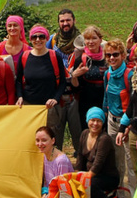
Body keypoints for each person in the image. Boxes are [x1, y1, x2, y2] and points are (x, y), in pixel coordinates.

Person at [18, 126, 73, 198]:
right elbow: (47, 182)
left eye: (44, 140)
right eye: (37, 140)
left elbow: (63, 191)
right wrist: (44, 194)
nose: (40, 144)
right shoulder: (44, 155)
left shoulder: (61, 161)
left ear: (53, 140)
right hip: (50, 196)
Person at [75, 107, 120, 198]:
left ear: (103, 122)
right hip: (92, 175)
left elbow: (98, 164)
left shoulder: (104, 139)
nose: (95, 124)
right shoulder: (84, 134)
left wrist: (83, 179)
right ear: (87, 120)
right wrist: (76, 174)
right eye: (92, 120)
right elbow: (80, 156)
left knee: (90, 184)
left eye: (99, 121)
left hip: (107, 176)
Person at [44, 8, 80, 151]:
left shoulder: (81, 40)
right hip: (57, 95)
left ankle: (80, 165)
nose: (65, 23)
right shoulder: (52, 41)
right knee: (55, 134)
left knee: (78, 133)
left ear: (74, 21)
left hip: (76, 95)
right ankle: (55, 163)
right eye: (62, 21)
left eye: (68, 20)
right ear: (58, 23)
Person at [102, 39, 136, 189]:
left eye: (115, 54)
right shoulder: (107, 75)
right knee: (116, 160)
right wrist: (104, 116)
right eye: (108, 55)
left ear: (123, 55)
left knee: (131, 161)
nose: (111, 58)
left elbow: (135, 103)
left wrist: (129, 125)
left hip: (127, 122)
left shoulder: (130, 75)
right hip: (111, 120)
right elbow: (106, 96)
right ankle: (119, 193)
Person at [68, 25, 107, 143]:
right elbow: (76, 87)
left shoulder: (108, 56)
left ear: (100, 40)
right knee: (88, 130)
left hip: (105, 99)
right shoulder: (81, 59)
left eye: (94, 38)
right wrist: (75, 76)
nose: (91, 42)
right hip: (86, 100)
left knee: (104, 131)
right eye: (88, 39)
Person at [16, 25, 67, 114]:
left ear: (46, 38)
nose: (38, 40)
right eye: (34, 37)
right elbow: (19, 81)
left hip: (49, 107)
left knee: (51, 128)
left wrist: (55, 99)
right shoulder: (24, 56)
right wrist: (20, 96)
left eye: (41, 37)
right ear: (30, 39)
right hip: (29, 105)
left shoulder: (55, 56)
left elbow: (62, 81)